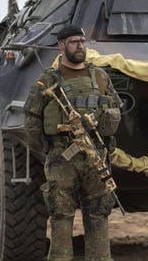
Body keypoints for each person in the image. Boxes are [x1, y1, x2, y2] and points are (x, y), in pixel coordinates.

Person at [24, 25, 122, 261]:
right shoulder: (48, 80)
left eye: (82, 41)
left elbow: (115, 107)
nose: (80, 46)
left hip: (95, 157)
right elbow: (31, 118)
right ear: (61, 45)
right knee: (61, 216)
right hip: (63, 157)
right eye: (74, 42)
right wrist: (48, 150)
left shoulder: (100, 76)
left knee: (99, 215)